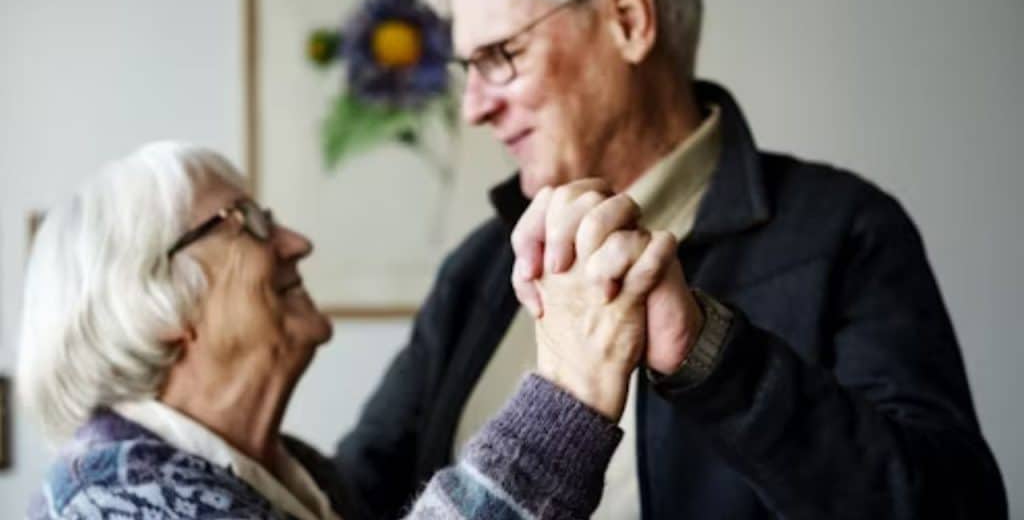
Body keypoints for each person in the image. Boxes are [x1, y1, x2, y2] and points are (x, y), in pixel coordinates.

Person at [336, 0, 1008, 518]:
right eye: (467, 68)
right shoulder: (478, 270)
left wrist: (712, 357)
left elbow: (956, 506)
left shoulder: (845, 230)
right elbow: (353, 500)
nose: (476, 106)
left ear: (628, 19)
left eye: (501, 55)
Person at [18, 142, 682, 519]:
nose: (295, 242)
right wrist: (568, 389)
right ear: (155, 307)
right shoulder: (108, 502)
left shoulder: (300, 480)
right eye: (245, 221)